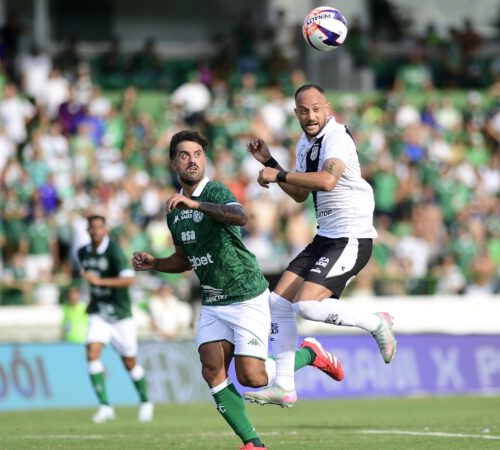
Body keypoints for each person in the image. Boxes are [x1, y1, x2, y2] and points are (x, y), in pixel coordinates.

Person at [132, 130, 344, 450]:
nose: (192, 160)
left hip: (245, 294)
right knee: (211, 369)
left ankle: (310, 353)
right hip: (214, 300)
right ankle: (253, 443)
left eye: (198, 154)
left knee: (252, 378)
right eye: (185, 155)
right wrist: (155, 263)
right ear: (174, 162)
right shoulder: (173, 209)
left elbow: (240, 215)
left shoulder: (214, 192)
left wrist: (196, 203)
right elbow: (184, 259)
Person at [243, 84, 396, 407]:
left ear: (327, 108)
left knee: (307, 305)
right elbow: (300, 193)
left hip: (351, 236)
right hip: (326, 236)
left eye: (316, 109)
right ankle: (285, 386)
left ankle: (375, 322)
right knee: (279, 303)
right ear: (296, 113)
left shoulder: (336, 137)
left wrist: (277, 174)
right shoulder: (304, 144)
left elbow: (327, 181)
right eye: (303, 110)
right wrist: (272, 162)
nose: (310, 116)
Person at [76, 215, 152, 423]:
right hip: (99, 314)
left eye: (100, 227)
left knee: (129, 362)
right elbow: (91, 283)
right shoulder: (82, 252)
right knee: (92, 352)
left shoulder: (115, 252)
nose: (96, 231)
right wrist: (91, 302)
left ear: (105, 230)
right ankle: (105, 406)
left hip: (120, 316)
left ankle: (145, 401)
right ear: (88, 230)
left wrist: (99, 281)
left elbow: (129, 280)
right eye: (92, 228)